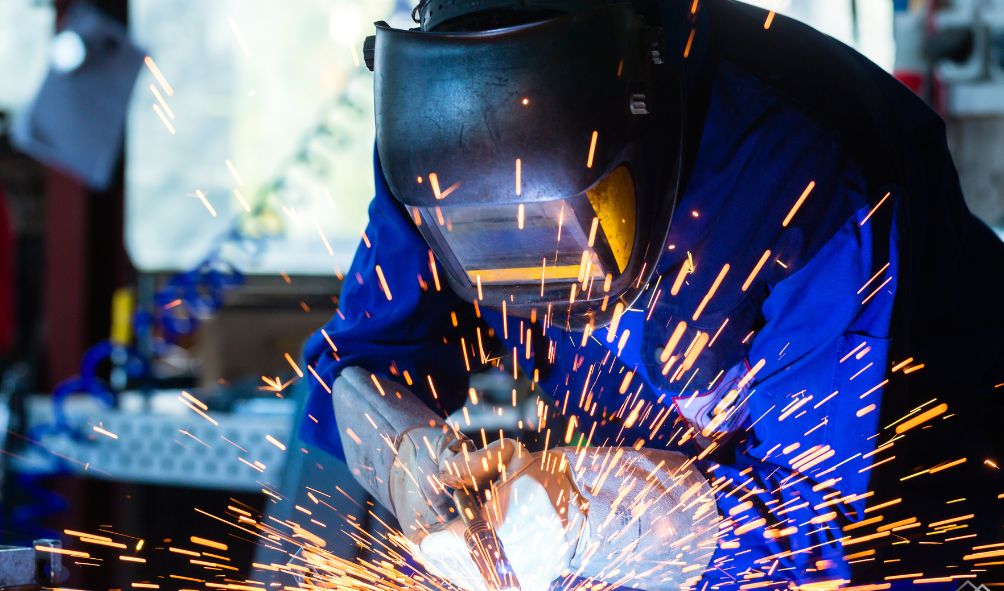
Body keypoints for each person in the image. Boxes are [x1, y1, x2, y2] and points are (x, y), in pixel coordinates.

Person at [302, 1, 1004, 589]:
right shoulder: (435, 151)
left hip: (919, 518)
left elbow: (821, 527)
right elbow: (362, 362)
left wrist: (594, 514)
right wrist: (405, 458)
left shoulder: (802, 173)